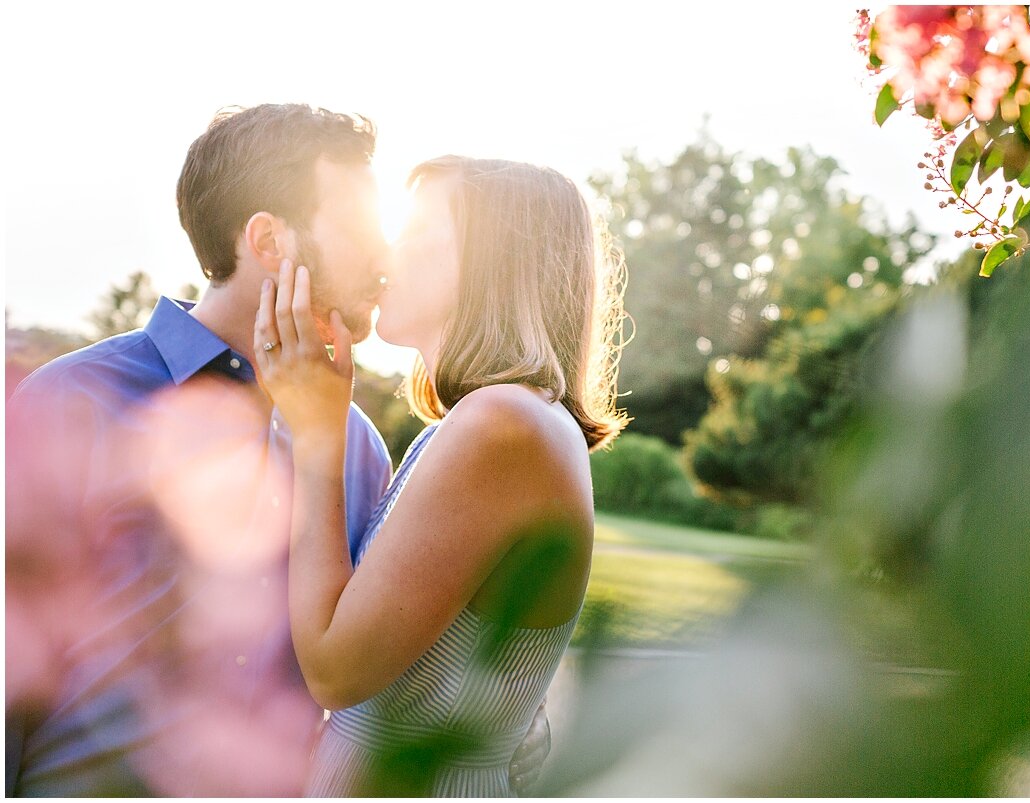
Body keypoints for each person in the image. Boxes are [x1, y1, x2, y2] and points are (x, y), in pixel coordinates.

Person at [5, 106, 548, 796]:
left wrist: (506, 720)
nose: (383, 257)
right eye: (357, 228)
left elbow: (378, 663)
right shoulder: (69, 404)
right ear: (269, 240)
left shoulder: (356, 449)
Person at [253, 155, 628, 796]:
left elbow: (336, 672)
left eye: (418, 237)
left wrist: (318, 429)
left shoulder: (503, 424)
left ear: (492, 268)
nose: (386, 255)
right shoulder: (475, 425)